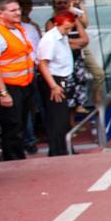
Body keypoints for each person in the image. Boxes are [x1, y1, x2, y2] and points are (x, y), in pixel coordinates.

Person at [0, 0, 37, 162]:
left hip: (25, 84)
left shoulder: (17, 29)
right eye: (13, 10)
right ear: (0, 13)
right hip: (10, 86)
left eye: (18, 9)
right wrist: (3, 92)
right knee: (12, 127)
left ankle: (19, 156)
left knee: (21, 125)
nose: (18, 13)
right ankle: (13, 159)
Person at [36, 12, 75, 156]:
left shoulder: (62, 36)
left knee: (63, 117)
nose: (68, 31)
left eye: (70, 28)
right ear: (58, 24)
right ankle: (57, 150)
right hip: (53, 80)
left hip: (63, 78)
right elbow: (43, 64)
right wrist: (53, 85)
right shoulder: (50, 39)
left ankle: (64, 147)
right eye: (66, 28)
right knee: (56, 118)